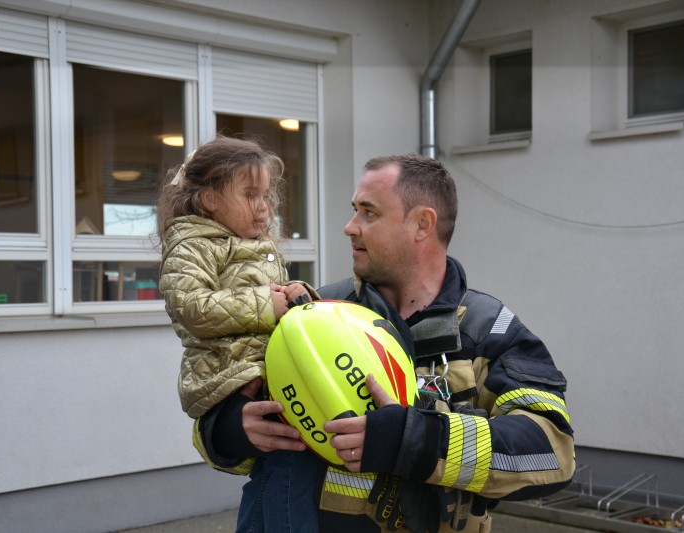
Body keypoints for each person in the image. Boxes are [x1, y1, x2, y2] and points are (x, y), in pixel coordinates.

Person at [200, 153, 575, 533]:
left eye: (369, 213)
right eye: (354, 211)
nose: (349, 227)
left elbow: (552, 453)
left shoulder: (488, 328)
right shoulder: (313, 312)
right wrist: (230, 430)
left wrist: (415, 438)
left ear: (422, 224)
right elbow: (213, 424)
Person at [156, 135, 320, 532]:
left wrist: (297, 294)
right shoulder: (191, 245)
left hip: (256, 365)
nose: (263, 207)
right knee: (292, 454)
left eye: (266, 196)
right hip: (227, 369)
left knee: (279, 465)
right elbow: (190, 306)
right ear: (210, 199)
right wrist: (266, 304)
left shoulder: (254, 245)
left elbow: (267, 298)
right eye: (249, 195)